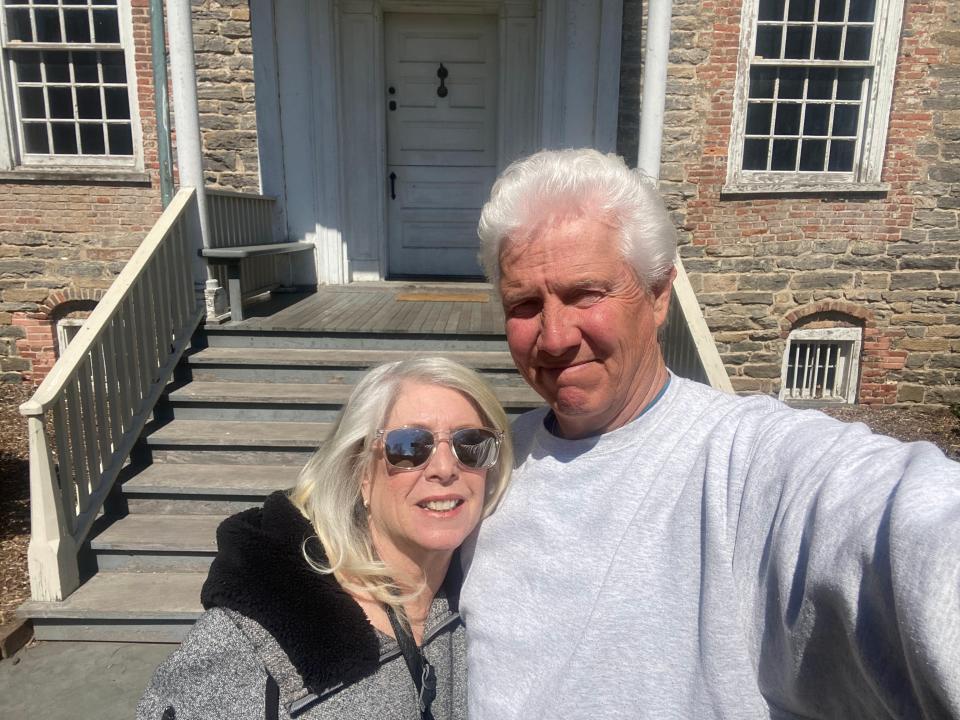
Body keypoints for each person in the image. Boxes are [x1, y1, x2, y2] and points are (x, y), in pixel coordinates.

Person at [460, 148, 960, 719]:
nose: (552, 337)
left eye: (585, 294)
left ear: (657, 296)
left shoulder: (749, 462)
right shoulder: (482, 465)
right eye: (524, 304)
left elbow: (906, 528)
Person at [138, 357, 513, 720]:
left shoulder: (489, 598)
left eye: (470, 443)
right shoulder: (250, 646)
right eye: (411, 446)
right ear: (362, 473)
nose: (446, 468)